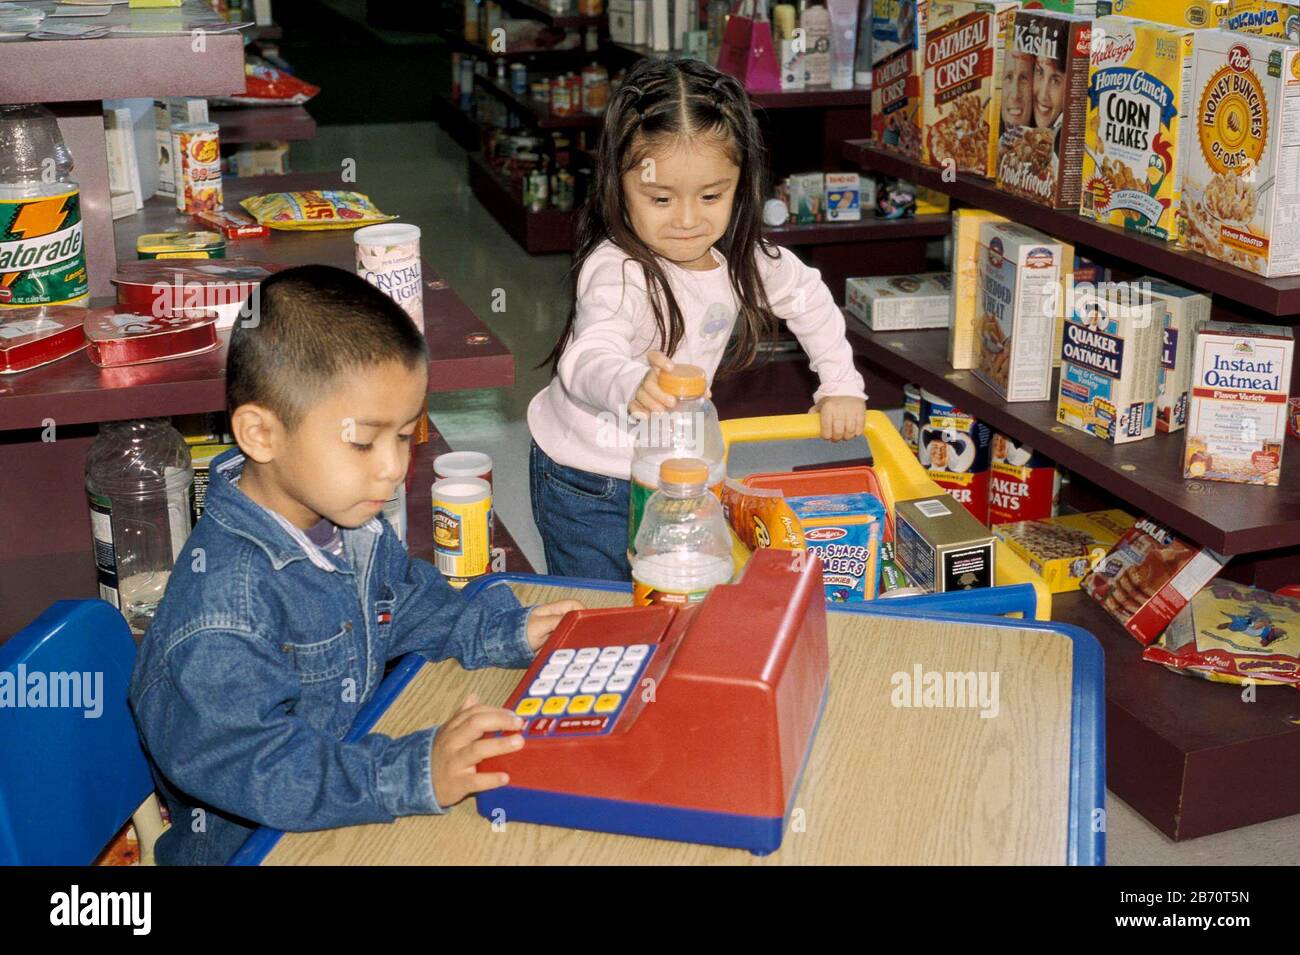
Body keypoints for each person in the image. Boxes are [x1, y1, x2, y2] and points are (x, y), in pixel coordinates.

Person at [129, 265, 582, 865]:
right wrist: (409, 772)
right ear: (261, 434)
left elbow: (406, 599)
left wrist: (498, 629)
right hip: (262, 846)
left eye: (405, 434)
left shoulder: (341, 520)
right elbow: (266, 770)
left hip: (342, 800)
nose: (394, 467)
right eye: (364, 442)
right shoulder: (224, 613)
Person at [527, 57, 868, 580]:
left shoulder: (742, 256)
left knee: (677, 587)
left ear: (741, 184)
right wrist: (631, 381)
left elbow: (808, 296)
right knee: (602, 604)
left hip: (677, 470)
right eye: (660, 198)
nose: (688, 220)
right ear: (619, 185)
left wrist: (840, 384)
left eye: (711, 196)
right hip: (590, 477)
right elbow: (587, 356)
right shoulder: (617, 271)